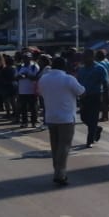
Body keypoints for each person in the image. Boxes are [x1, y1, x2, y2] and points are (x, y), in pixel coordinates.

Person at [36, 57, 85, 185]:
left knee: (55, 145)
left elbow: (40, 93)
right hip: (66, 118)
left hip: (51, 116)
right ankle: (60, 173)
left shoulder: (44, 79)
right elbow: (81, 91)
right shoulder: (68, 79)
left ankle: (57, 170)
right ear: (64, 66)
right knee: (64, 145)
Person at [75, 50, 109, 147]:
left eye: (85, 56)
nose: (83, 59)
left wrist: (107, 99)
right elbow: (77, 83)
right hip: (84, 97)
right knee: (83, 117)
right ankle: (96, 129)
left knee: (93, 118)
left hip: (95, 96)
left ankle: (89, 141)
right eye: (83, 57)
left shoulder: (99, 68)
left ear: (92, 57)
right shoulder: (81, 69)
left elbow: (106, 84)